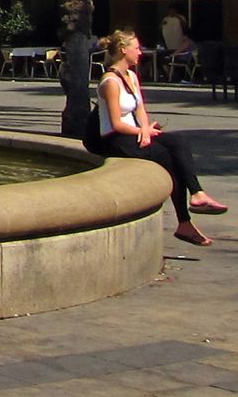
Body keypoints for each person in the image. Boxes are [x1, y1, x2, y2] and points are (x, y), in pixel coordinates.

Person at [94, 29, 227, 245]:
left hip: (135, 133)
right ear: (123, 50)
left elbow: (140, 111)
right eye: (136, 48)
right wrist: (142, 132)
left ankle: (197, 194)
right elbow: (116, 124)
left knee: (179, 141)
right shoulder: (110, 82)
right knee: (168, 157)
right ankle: (185, 222)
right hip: (115, 139)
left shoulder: (131, 76)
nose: (140, 53)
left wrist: (146, 128)